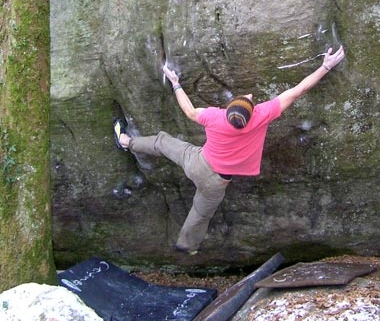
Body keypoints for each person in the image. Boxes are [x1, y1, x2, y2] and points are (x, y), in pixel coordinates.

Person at [113, 45, 345, 255]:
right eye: (250, 100)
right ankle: (187, 245)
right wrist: (325, 66)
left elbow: (189, 111)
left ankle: (126, 141)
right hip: (216, 184)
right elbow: (296, 91)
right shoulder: (260, 117)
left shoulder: (215, 117)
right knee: (201, 214)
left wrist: (175, 83)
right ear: (253, 114)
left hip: (196, 163)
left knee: (162, 143)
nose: (251, 96)